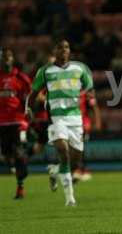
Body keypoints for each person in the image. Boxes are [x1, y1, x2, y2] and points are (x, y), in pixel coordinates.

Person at [29, 39, 94, 206]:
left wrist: (90, 100)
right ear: (54, 51)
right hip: (56, 119)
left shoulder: (80, 68)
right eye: (60, 47)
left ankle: (55, 170)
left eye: (66, 47)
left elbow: (89, 89)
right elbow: (34, 92)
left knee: (75, 160)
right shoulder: (45, 71)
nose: (64, 50)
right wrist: (28, 110)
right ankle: (70, 199)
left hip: (75, 118)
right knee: (63, 152)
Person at [0, 48, 31, 199]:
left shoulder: (20, 78)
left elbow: (29, 95)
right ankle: (16, 168)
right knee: (6, 154)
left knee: (19, 152)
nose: (6, 60)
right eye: (3, 57)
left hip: (18, 121)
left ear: (12, 59)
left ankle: (20, 185)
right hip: (2, 123)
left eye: (8, 57)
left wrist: (29, 109)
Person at [72, 91, 102, 182]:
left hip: (83, 122)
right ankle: (79, 169)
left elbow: (94, 107)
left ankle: (81, 169)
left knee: (80, 145)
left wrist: (97, 122)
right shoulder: (68, 91)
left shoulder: (86, 93)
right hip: (70, 121)